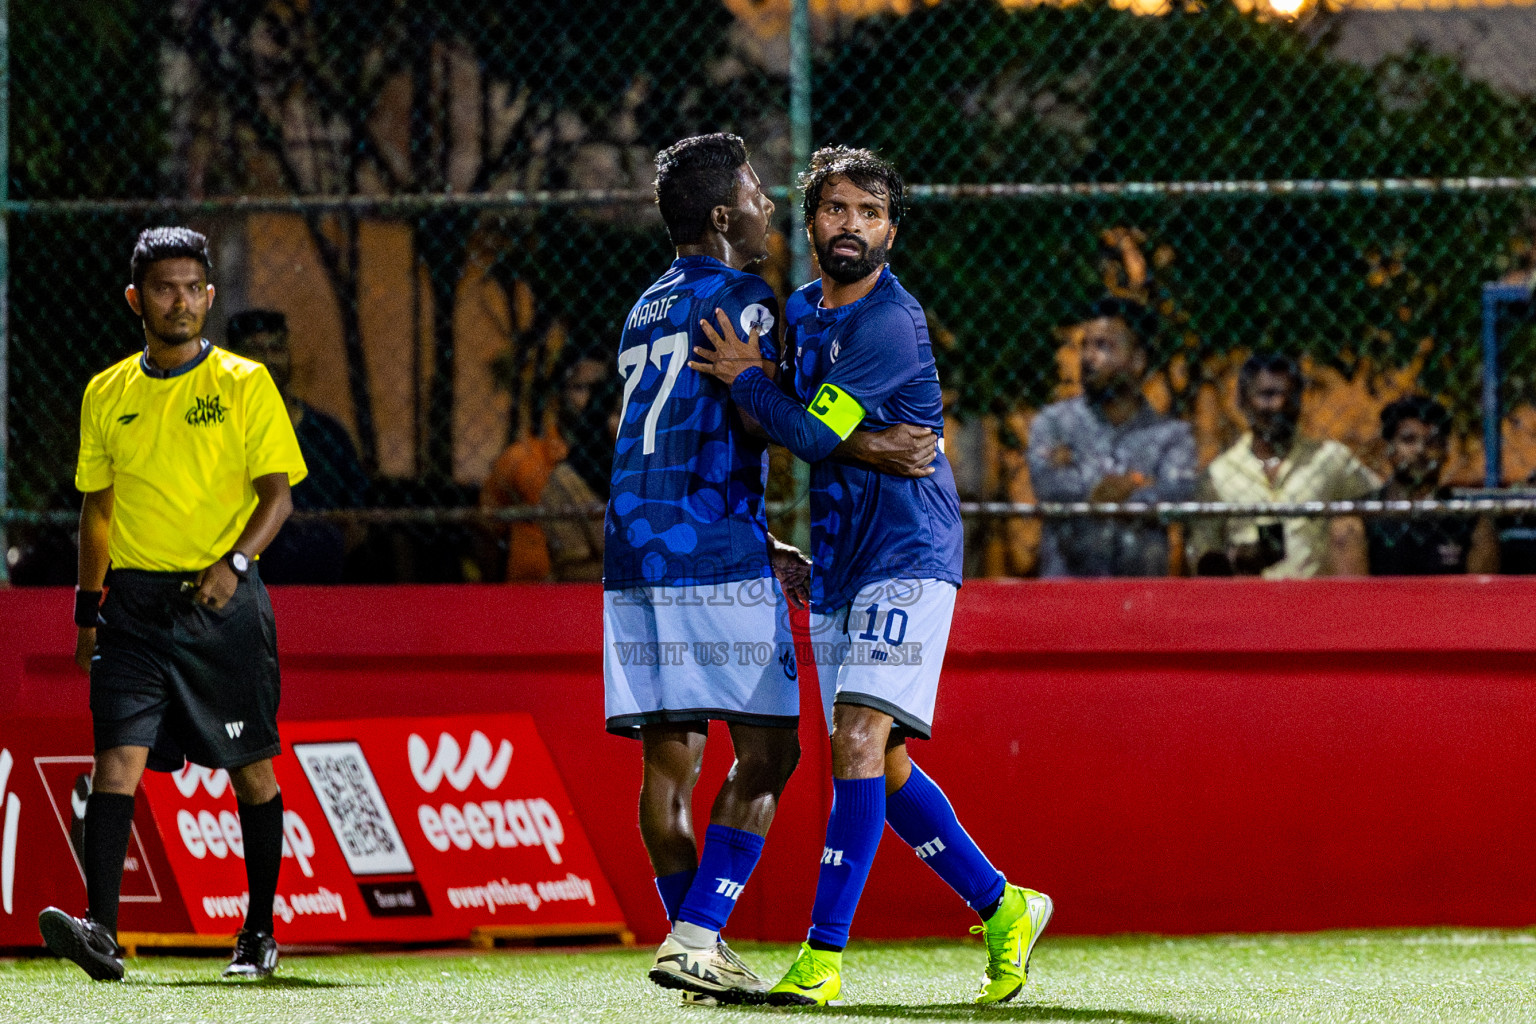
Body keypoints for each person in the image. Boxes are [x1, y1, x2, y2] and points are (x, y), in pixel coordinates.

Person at [691, 146, 1051, 1007]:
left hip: (910, 556)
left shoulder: (890, 322)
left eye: (870, 211)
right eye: (836, 209)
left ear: (891, 229)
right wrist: (863, 442)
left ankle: (823, 958)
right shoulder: (803, 309)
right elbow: (803, 428)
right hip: (843, 561)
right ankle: (1005, 906)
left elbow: (805, 431)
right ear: (812, 221)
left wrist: (752, 382)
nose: (850, 225)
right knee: (880, 765)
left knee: (854, 739)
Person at [39, 227, 307, 982]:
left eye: (193, 287)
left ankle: (258, 930)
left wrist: (236, 562)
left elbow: (278, 497)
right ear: (136, 299)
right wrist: (88, 611)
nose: (180, 300)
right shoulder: (106, 392)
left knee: (252, 771)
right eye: (165, 288)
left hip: (220, 603)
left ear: (210, 298)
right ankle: (102, 932)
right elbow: (95, 512)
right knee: (115, 760)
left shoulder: (245, 383)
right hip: (133, 607)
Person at [1028, 297, 1196, 576]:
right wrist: (1136, 485)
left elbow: (1177, 495)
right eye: (1085, 346)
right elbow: (1051, 486)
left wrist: (1101, 490)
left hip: (1139, 598)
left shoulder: (1170, 436)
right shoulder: (1055, 423)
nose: (1088, 357)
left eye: (1103, 346)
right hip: (1067, 592)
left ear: (1138, 360)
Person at [1190, 354, 1379, 578]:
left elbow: (1383, 500)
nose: (1279, 405)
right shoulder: (1219, 474)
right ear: (1243, 401)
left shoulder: (1329, 459)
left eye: (1288, 395)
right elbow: (1203, 556)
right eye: (1267, 395)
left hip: (1317, 600)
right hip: (1249, 601)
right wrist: (1236, 559)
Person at [224, 310, 367, 583]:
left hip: (321, 585)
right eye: (254, 350)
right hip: (243, 580)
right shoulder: (220, 432)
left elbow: (358, 519)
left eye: (276, 348)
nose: (267, 360)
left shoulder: (327, 434)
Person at [481, 353, 609, 582]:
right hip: (528, 591)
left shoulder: (620, 461)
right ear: (559, 394)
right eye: (580, 388)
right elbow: (487, 531)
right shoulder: (521, 458)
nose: (591, 398)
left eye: (598, 389)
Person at [1367, 396, 1498, 575]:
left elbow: (1481, 597)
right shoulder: (1360, 518)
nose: (1421, 450)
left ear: (1446, 452)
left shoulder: (1471, 522)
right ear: (1388, 449)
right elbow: (1350, 598)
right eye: (1408, 440)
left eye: (1432, 442)